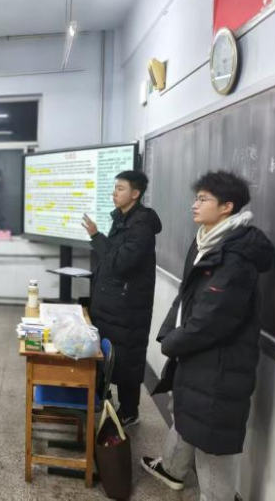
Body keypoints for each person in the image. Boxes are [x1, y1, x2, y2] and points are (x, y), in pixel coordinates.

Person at [141, 171, 275, 501]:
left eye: (203, 199)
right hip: (194, 355)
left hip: (219, 365)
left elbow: (211, 321)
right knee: (186, 413)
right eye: (196, 197)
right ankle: (172, 470)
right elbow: (186, 295)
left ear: (227, 206)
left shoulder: (236, 257)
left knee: (212, 442)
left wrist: (173, 343)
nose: (194, 204)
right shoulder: (206, 241)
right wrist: (168, 333)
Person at [82, 170, 162, 427]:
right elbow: (113, 256)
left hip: (128, 307)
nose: (114, 193)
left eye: (120, 189)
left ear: (135, 194)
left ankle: (129, 412)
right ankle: (104, 398)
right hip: (112, 302)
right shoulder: (123, 218)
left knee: (127, 358)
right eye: (114, 188)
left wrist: (96, 237)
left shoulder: (142, 226)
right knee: (110, 355)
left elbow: (121, 262)